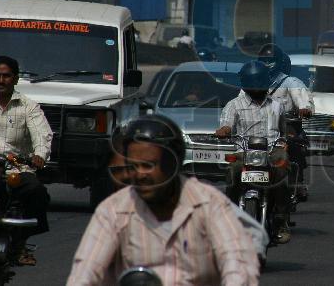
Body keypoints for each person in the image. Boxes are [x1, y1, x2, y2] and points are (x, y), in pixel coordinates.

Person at [67, 115, 258, 285]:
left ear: (173, 164)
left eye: (148, 165)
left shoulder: (209, 204)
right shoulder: (113, 211)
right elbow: (85, 271)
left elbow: (238, 263)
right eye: (133, 166)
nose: (139, 175)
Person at [215, 61, 292, 244]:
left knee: (282, 170)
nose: (257, 88)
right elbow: (226, 124)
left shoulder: (277, 105)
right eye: (253, 84)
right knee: (233, 171)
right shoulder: (234, 105)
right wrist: (224, 131)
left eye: (260, 84)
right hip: (244, 152)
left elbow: (284, 131)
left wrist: (285, 142)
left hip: (271, 151)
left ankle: (280, 222)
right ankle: (230, 218)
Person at [0, 55, 52, 266]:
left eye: (6, 76)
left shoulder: (29, 106)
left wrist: (39, 155)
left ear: (16, 79)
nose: (1, 80)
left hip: (16, 169)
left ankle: (20, 243)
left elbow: (42, 134)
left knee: (37, 192)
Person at [258, 44, 313, 201]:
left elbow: (303, 99)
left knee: (294, 147)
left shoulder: (291, 82)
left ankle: (297, 183)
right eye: (263, 61)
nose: (266, 64)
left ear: (278, 62)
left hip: (286, 126)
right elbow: (240, 101)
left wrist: (304, 108)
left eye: (269, 61)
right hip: (259, 126)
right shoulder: (254, 80)